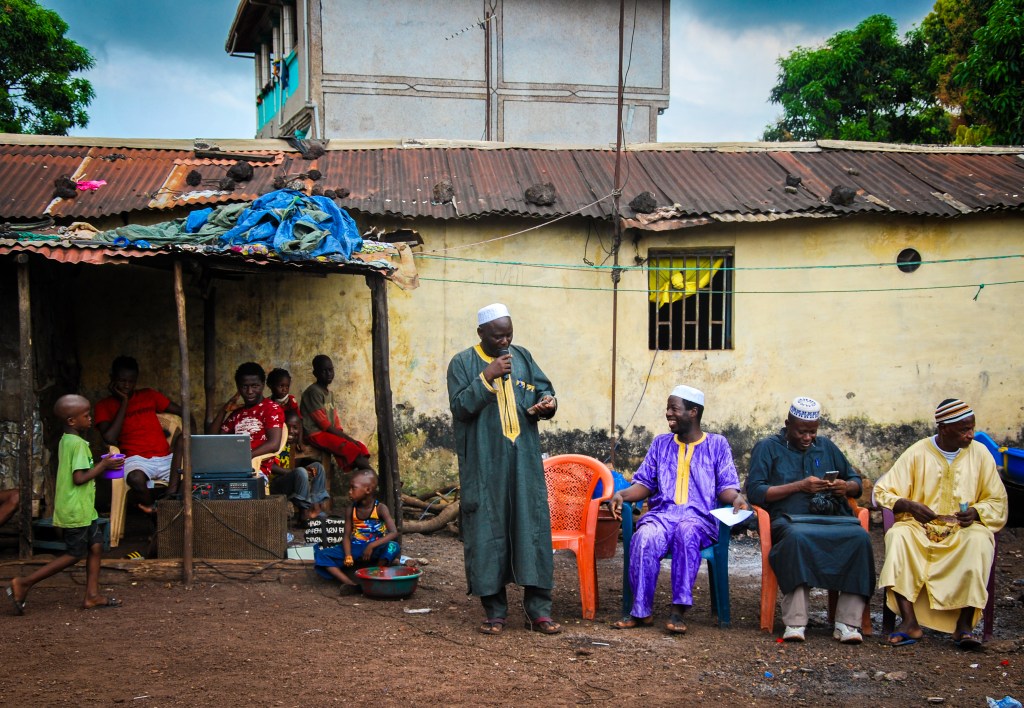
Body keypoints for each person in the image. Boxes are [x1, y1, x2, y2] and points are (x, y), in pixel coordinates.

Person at [447, 303, 560, 636]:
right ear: (481, 333)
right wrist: (488, 376)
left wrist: (547, 403)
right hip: (485, 465)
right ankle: (494, 612)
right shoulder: (462, 363)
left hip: (523, 461)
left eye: (509, 333)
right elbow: (459, 408)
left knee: (532, 529)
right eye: (498, 335)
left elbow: (544, 389)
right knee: (487, 532)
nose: (505, 340)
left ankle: (539, 611)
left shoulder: (522, 356)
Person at [610, 385, 747, 634]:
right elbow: (645, 484)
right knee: (644, 538)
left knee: (687, 531)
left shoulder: (717, 444)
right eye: (668, 408)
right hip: (662, 516)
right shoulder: (661, 444)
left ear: (693, 412)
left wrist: (736, 498)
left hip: (699, 519)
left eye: (674, 408)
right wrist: (622, 494)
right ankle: (641, 611)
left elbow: (725, 487)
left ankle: (678, 610)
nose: (668, 413)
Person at [874, 398, 1008, 649]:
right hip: (920, 528)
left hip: (962, 529)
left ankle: (964, 626)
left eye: (972, 428)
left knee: (979, 541)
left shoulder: (980, 454)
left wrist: (977, 513)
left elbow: (997, 500)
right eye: (963, 430)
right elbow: (881, 492)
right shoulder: (917, 452)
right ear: (944, 428)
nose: (970, 435)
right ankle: (909, 622)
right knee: (899, 536)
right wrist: (910, 505)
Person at [745, 396, 875, 644]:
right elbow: (756, 492)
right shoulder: (768, 447)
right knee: (797, 539)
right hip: (788, 521)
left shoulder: (826, 446)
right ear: (787, 424)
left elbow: (856, 483)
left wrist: (844, 487)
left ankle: (847, 623)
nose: (808, 438)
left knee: (859, 538)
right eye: (802, 432)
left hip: (830, 518)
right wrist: (799, 487)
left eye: (812, 432)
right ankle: (795, 622)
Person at [6, 395, 123, 614]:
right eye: (86, 416)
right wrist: (105, 464)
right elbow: (79, 478)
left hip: (85, 510)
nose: (90, 419)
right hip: (76, 510)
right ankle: (24, 583)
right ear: (71, 421)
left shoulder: (66, 440)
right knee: (74, 554)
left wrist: (102, 464)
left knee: (96, 547)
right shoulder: (77, 444)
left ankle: (92, 596)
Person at [95, 356, 187, 514]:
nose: (127, 385)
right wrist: (124, 402)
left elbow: (184, 412)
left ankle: (165, 509)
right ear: (112, 379)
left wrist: (184, 440)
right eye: (122, 380)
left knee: (190, 477)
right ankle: (156, 519)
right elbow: (109, 438)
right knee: (136, 479)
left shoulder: (149, 395)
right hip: (136, 460)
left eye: (131, 381)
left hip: (166, 457)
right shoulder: (104, 406)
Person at [313, 468, 399, 587]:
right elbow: (346, 536)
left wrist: (371, 545)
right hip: (355, 548)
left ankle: (376, 575)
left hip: (376, 548)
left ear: (368, 490)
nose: (349, 491)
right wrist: (348, 555)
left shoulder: (380, 508)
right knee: (322, 555)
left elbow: (394, 532)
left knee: (393, 546)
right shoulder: (350, 510)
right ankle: (351, 585)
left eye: (353, 488)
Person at [208, 362, 284, 480]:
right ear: (238, 387)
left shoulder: (271, 409)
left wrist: (244, 457)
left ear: (263, 385)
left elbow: (274, 444)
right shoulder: (237, 414)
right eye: (244, 386)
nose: (249, 391)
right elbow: (212, 439)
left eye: (255, 386)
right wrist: (224, 410)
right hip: (232, 467)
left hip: (256, 470)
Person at [300, 355, 371, 472]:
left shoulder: (330, 394)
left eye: (330, 370)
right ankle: (377, 481)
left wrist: (342, 435)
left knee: (361, 448)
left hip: (326, 432)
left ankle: (370, 482)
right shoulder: (313, 392)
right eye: (324, 371)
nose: (328, 374)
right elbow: (324, 424)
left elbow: (335, 418)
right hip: (315, 434)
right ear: (315, 373)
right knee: (353, 448)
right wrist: (347, 439)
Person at [270, 411, 330, 523]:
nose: (291, 431)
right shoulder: (275, 442)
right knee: (301, 472)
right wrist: (293, 472)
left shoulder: (295, 444)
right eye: (288, 427)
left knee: (318, 467)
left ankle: (315, 506)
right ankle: (304, 513)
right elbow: (269, 465)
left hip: (291, 479)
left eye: (295, 428)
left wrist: (300, 440)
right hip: (275, 484)